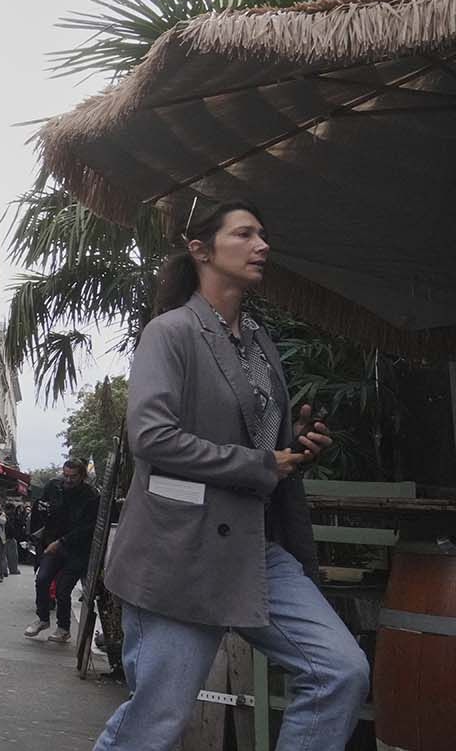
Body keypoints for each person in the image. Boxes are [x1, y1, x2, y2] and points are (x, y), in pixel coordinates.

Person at [93, 201, 363, 750]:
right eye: (245, 234)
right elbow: (152, 438)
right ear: (201, 250)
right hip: (180, 554)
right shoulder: (169, 333)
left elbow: (262, 444)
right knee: (157, 722)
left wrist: (295, 448)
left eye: (263, 234)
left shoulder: (261, 341)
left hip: (256, 549)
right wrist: (262, 464)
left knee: (340, 671)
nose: (262, 245)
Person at [23, 459, 99, 643]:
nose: (68, 480)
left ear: (82, 476)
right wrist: (39, 531)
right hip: (53, 543)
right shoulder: (54, 487)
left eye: (73, 476)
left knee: (63, 590)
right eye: (66, 475)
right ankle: (42, 619)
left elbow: (87, 527)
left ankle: (63, 628)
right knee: (42, 580)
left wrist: (61, 541)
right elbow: (41, 508)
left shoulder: (91, 496)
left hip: (76, 549)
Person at [4, 501, 27, 575]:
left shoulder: (3, 515)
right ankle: (13, 569)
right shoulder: (12, 517)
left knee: (2, 555)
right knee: (12, 555)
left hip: (2, 537)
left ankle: (2, 569)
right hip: (10, 537)